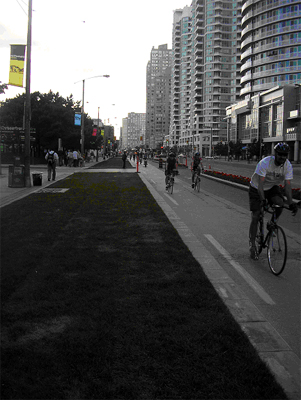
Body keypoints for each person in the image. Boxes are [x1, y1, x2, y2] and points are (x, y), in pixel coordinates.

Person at [248, 142, 298, 259]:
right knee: (256, 215)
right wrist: (263, 200)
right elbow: (260, 185)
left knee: (280, 203)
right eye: (280, 154)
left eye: (285, 155)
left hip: (271, 187)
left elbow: (288, 185)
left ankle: (272, 223)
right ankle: (252, 245)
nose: (283, 157)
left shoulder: (287, 165)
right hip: (256, 188)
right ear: (275, 154)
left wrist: (290, 203)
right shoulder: (265, 163)